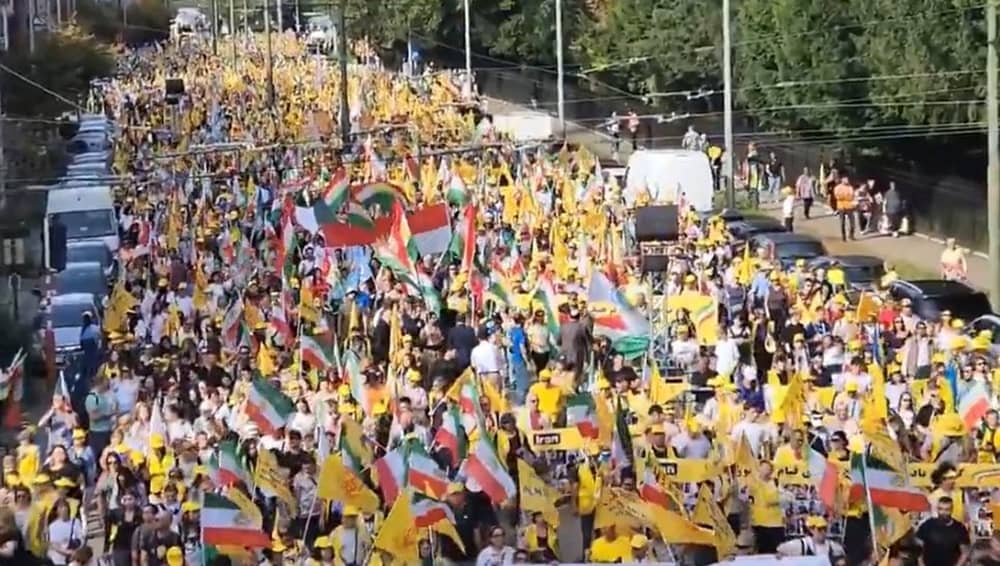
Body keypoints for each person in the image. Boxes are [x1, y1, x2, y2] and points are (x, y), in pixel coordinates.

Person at [916, 495, 970, 566]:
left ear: (952, 510)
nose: (943, 512)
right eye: (940, 509)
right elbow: (917, 549)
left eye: (947, 510)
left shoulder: (959, 528)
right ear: (937, 509)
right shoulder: (927, 525)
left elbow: (964, 552)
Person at [777, 516, 846, 564]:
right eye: (819, 529)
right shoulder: (801, 544)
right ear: (811, 530)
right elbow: (780, 549)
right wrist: (781, 555)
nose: (823, 532)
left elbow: (843, 558)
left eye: (825, 528)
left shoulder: (834, 547)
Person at [833, 175, 857, 241]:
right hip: (841, 207)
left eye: (847, 179)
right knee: (842, 222)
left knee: (852, 222)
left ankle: (851, 235)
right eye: (845, 179)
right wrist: (847, 197)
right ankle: (843, 236)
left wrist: (845, 196)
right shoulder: (838, 187)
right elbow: (838, 197)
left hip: (849, 206)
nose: (847, 180)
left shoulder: (850, 187)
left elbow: (852, 196)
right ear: (842, 180)